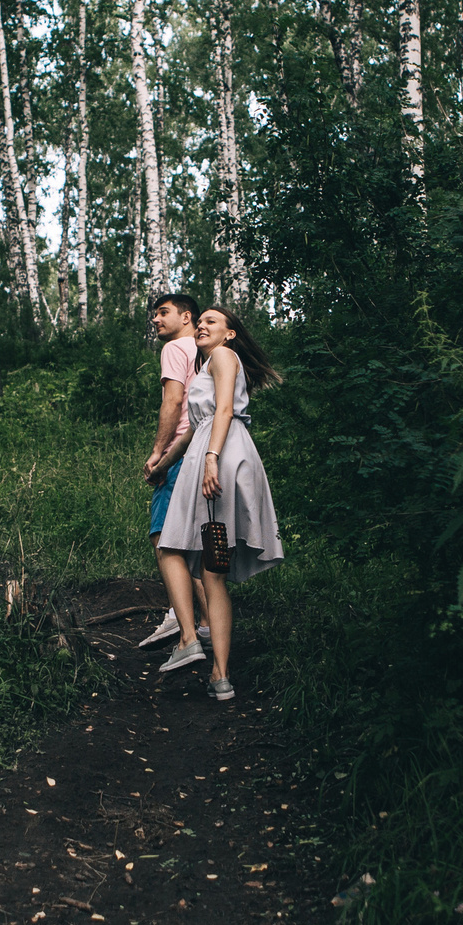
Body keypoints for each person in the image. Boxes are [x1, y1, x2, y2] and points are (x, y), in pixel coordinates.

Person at [155, 306, 284, 700]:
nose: (203, 326)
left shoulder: (226, 356)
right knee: (213, 571)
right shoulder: (206, 365)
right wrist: (162, 463)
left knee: (176, 549)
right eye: (202, 321)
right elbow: (193, 426)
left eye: (213, 321)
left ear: (230, 334)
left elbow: (225, 411)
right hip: (207, 453)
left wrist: (212, 458)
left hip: (221, 456)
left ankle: (193, 642)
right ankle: (220, 676)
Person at [137, 293, 211, 647]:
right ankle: (206, 623)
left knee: (165, 537)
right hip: (208, 450)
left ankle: (184, 627)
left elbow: (174, 400)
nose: (156, 319)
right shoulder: (207, 354)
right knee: (195, 540)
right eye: (154, 314)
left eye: (163, 313)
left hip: (181, 452)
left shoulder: (174, 349)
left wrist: (158, 452)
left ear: (186, 318)